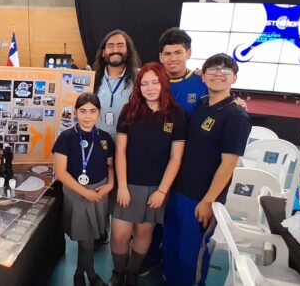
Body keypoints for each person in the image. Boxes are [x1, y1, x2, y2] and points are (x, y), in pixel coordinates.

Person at [162, 53, 251, 285]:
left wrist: (209, 201)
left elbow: (229, 163)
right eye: (212, 70)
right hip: (178, 191)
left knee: (192, 256)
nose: (218, 75)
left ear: (235, 78)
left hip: (201, 198)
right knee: (171, 245)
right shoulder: (201, 104)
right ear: (203, 76)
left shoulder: (236, 116)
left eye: (225, 71)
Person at [110, 62, 186, 286]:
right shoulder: (129, 110)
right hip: (128, 184)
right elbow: (120, 150)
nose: (150, 88)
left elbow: (176, 158)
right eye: (144, 83)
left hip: (156, 188)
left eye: (155, 82)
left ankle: (133, 272)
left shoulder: (176, 114)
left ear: (164, 84)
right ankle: (118, 271)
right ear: (139, 86)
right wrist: (122, 186)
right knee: (119, 235)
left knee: (144, 234)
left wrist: (162, 191)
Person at [52, 93, 114, 286]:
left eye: (93, 111)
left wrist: (110, 185)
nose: (88, 116)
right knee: (85, 239)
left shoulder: (104, 138)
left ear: (99, 113)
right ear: (75, 112)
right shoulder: (66, 137)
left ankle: (79, 273)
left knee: (89, 236)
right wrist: (84, 192)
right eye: (83, 111)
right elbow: (61, 173)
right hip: (76, 194)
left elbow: (110, 165)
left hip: (99, 193)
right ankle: (92, 275)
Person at [91, 29, 141, 245]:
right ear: (103, 52)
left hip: (128, 149)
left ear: (127, 50)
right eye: (110, 46)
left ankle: (124, 236)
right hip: (96, 147)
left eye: (120, 45)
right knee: (99, 191)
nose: (115, 50)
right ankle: (100, 232)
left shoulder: (140, 79)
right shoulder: (91, 79)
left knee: (123, 193)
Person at [158, 27, 209, 115]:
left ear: (188, 54)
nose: (173, 59)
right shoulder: (151, 82)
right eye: (167, 54)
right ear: (161, 57)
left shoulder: (203, 81)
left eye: (178, 53)